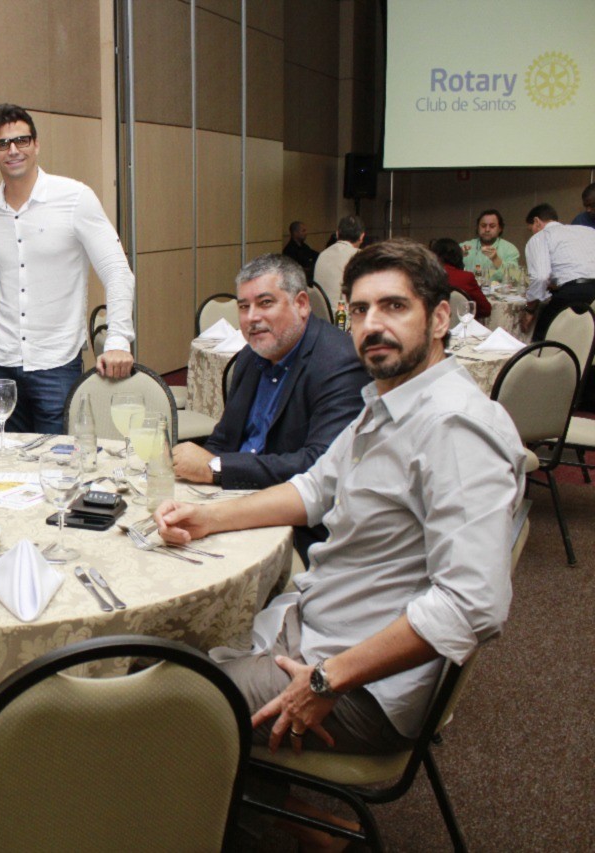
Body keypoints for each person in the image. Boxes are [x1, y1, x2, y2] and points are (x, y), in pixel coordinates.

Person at [154, 240, 525, 846]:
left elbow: (472, 604)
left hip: (362, 685)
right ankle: (299, 825)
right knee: (166, 652)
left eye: (394, 306)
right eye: (359, 310)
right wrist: (208, 520)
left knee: (161, 701)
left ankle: (274, 827)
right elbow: (313, 488)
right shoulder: (389, 401)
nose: (372, 325)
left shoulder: (454, 427)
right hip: (321, 628)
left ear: (439, 318)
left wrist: (328, 680)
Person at [172, 255, 368, 559]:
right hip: (231, 501)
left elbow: (318, 465)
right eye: (243, 307)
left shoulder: (339, 362)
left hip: (296, 525)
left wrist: (216, 468)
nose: (252, 317)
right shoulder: (252, 355)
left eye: (265, 303)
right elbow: (224, 438)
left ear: (301, 304)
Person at [0, 103, 135, 434]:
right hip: (1, 359)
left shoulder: (75, 198)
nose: (13, 150)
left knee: (59, 458)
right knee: (9, 457)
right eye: (2, 143)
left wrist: (119, 338)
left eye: (21, 140)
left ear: (36, 144)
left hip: (56, 361)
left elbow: (117, 270)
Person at [521, 202, 595, 340]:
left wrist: (530, 309)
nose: (533, 233)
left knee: (542, 339)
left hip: (575, 293)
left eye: (531, 229)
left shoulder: (541, 236)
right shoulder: (587, 230)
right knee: (587, 342)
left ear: (537, 222)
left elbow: (541, 277)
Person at [429, 237, 491, 319]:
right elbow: (486, 309)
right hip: (462, 324)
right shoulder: (466, 277)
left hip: (432, 323)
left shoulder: (427, 275)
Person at [312, 215, 365, 307]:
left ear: (337, 234)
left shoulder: (323, 254)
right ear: (362, 236)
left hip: (319, 312)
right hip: (342, 314)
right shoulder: (359, 257)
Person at [459, 209, 520, 285]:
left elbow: (516, 278)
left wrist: (496, 259)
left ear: (500, 229)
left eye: (492, 226)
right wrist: (458, 257)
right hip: (469, 290)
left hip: (498, 292)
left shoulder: (510, 249)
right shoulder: (464, 246)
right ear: (478, 227)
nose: (487, 229)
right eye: (483, 226)